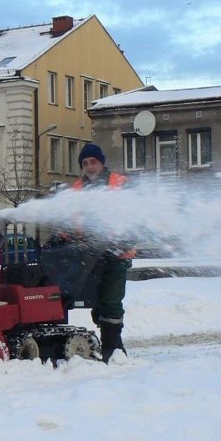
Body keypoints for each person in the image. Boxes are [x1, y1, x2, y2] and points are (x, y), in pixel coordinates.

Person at [71, 143, 134, 363]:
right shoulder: (77, 189)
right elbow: (71, 221)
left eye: (93, 162)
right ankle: (115, 347)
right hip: (89, 257)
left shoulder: (120, 184)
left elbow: (135, 218)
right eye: (85, 163)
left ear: (101, 162)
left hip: (117, 255)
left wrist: (122, 244)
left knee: (110, 302)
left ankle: (112, 351)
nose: (89, 166)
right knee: (97, 306)